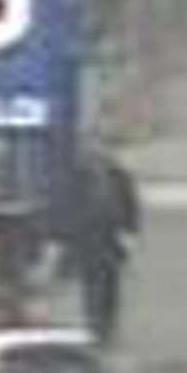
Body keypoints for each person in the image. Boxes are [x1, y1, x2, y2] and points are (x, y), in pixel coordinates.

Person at [67, 147, 142, 344]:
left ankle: (107, 327)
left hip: (111, 239)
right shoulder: (78, 175)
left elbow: (131, 205)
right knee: (92, 286)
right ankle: (94, 326)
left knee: (110, 286)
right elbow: (70, 207)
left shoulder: (119, 174)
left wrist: (130, 234)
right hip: (89, 240)